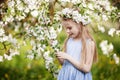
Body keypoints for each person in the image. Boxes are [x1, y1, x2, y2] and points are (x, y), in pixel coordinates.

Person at [55, 8, 98, 80]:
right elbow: (64, 64)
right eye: (65, 28)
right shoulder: (69, 40)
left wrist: (68, 57)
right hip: (66, 75)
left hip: (78, 77)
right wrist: (59, 56)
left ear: (79, 25)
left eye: (70, 28)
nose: (67, 31)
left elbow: (87, 68)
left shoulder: (89, 43)